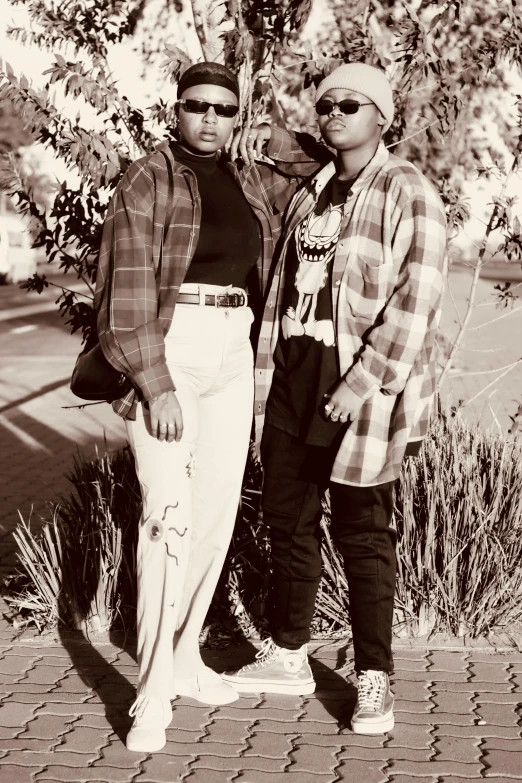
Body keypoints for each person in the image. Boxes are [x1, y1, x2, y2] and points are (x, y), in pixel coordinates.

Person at [94, 62, 319, 754]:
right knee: (169, 516)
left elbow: (310, 159)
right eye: (198, 107)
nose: (211, 119)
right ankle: (152, 689)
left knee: (216, 512)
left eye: (225, 109)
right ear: (176, 111)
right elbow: (123, 294)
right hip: (170, 347)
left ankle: (187, 654)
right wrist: (155, 382)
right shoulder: (149, 178)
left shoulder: (247, 178)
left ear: (237, 115)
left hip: (230, 347)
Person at [223, 62, 448, 736]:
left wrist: (363, 379)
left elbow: (419, 298)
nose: (334, 114)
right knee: (289, 522)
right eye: (325, 105)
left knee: (362, 530)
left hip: (357, 385)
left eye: (351, 104)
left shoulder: (408, 190)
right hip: (293, 372)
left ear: (381, 118)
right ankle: (291, 653)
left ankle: (373, 678)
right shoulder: (312, 191)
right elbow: (282, 290)